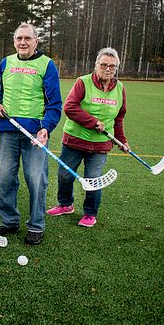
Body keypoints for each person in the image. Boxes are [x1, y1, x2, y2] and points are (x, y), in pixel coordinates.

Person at [0, 23, 62, 245]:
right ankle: (10, 221)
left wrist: (45, 128)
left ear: (36, 41)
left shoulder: (47, 65)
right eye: (19, 38)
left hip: (35, 136)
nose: (23, 42)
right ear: (14, 41)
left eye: (27, 39)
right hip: (9, 131)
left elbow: (55, 105)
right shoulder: (6, 63)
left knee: (36, 179)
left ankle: (36, 225)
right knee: (6, 178)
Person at [46, 48, 128, 228]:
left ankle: (90, 213)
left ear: (116, 69)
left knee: (93, 179)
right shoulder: (83, 82)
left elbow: (118, 118)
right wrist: (92, 122)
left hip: (100, 144)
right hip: (75, 140)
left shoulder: (120, 88)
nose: (107, 69)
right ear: (96, 65)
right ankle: (65, 204)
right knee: (65, 175)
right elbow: (70, 107)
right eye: (104, 65)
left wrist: (121, 140)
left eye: (112, 67)